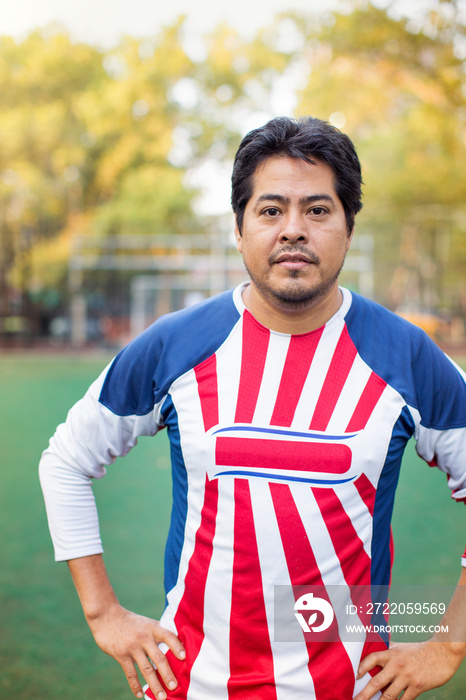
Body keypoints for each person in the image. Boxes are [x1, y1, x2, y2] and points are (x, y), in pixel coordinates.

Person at [39, 116, 466, 700]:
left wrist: (449, 641)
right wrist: (102, 613)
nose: (293, 229)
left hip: (351, 688)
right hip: (194, 683)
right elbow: (65, 460)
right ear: (239, 230)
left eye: (317, 210)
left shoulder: (406, 355)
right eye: (270, 211)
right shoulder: (178, 344)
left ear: (348, 228)